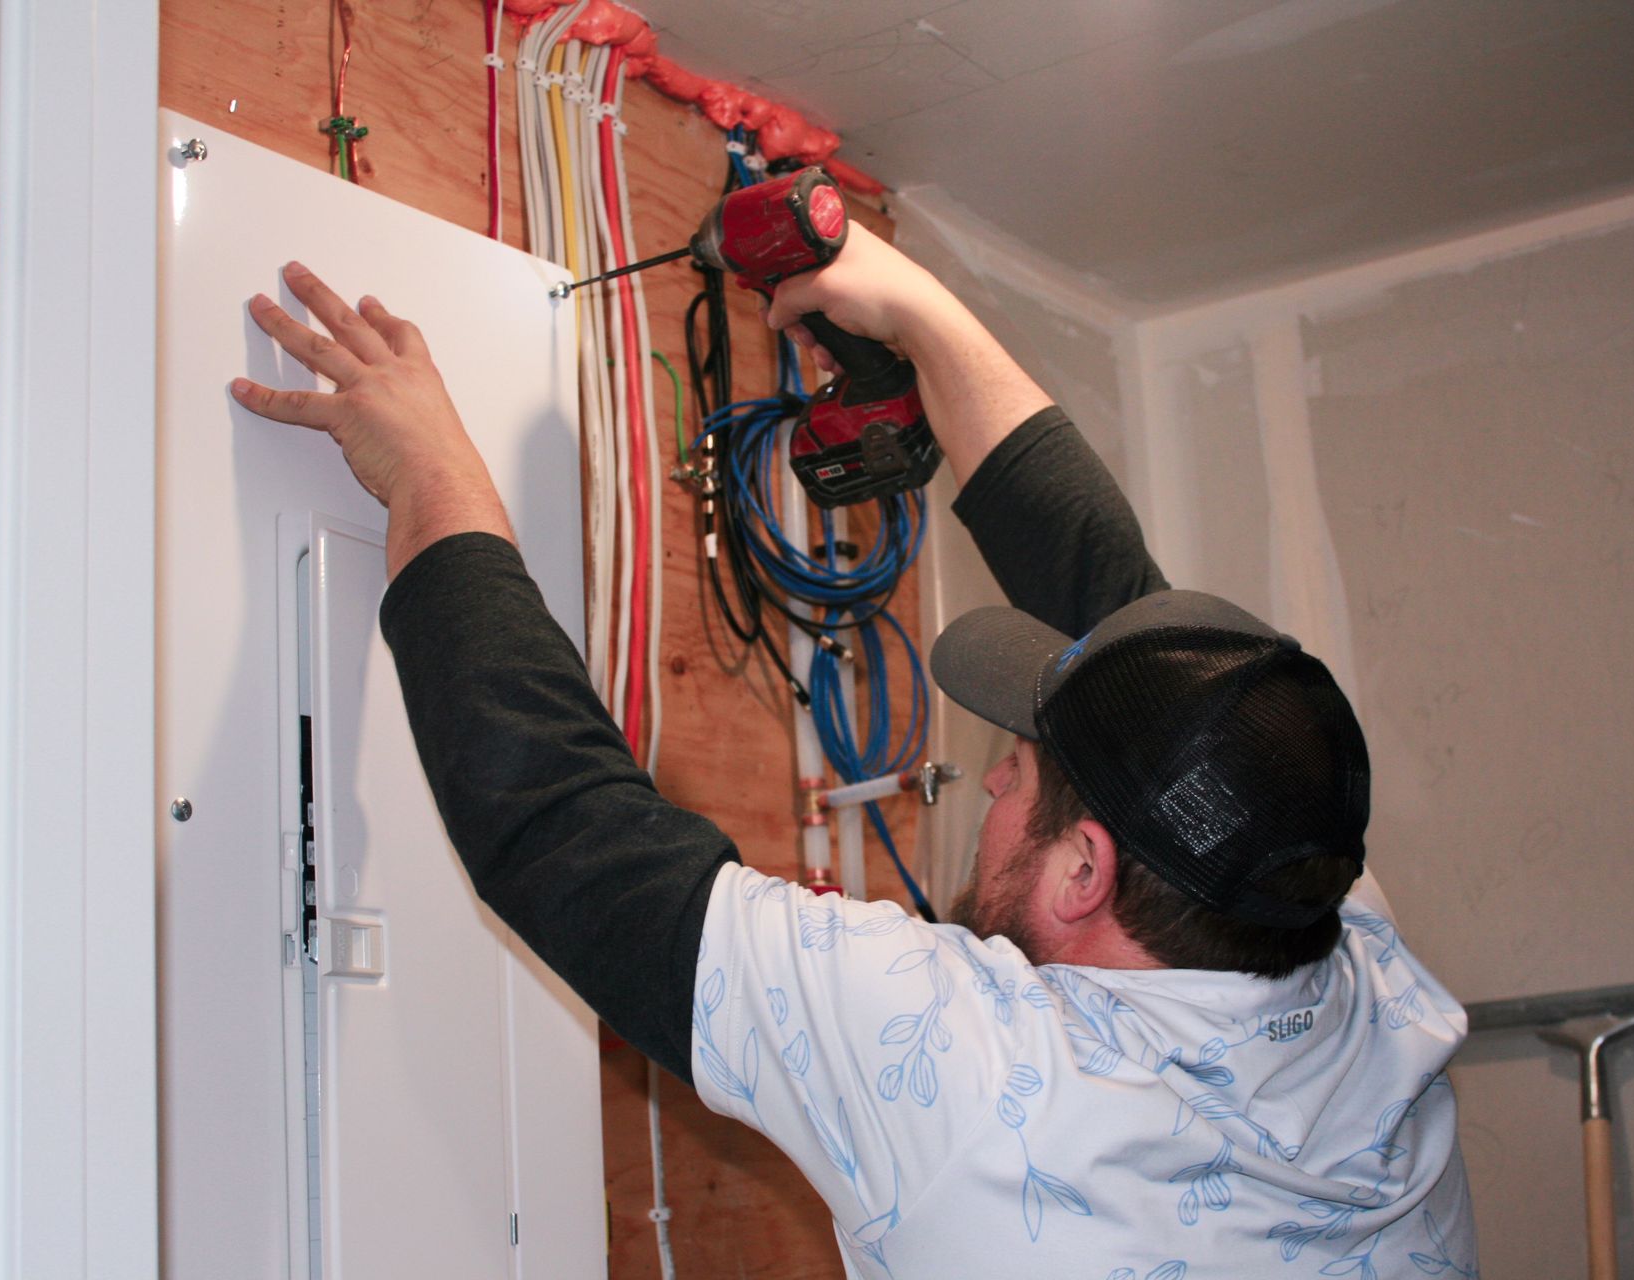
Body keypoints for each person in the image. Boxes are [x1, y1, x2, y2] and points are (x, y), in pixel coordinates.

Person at [232, 231, 1476, 1279]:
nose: (996, 774)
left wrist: (430, 472)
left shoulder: (990, 1089)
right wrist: (922, 314)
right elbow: (1132, 620)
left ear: (1084, 871)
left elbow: (566, 835)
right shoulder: (1352, 958)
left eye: (1023, 767)